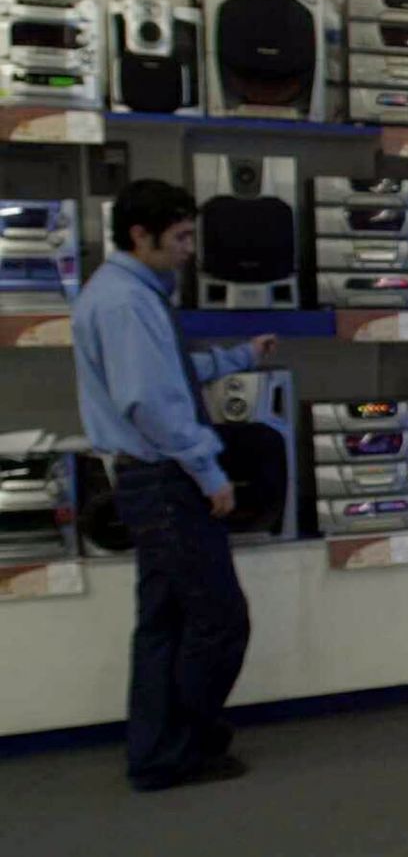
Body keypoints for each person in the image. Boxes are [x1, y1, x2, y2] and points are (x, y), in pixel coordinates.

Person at [71, 179, 278, 792]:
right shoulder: (125, 303)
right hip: (165, 482)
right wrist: (210, 472)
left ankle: (157, 756)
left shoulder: (128, 293)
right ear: (141, 235)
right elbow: (153, 404)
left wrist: (239, 356)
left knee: (164, 624)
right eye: (181, 236)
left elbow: (171, 373)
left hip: (148, 480)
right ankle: (191, 745)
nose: (190, 249)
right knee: (220, 620)